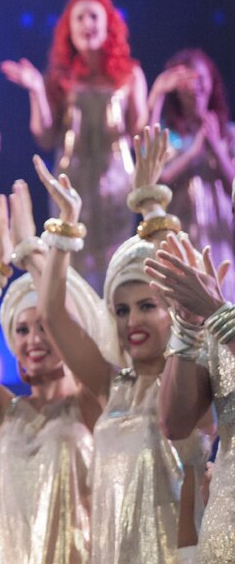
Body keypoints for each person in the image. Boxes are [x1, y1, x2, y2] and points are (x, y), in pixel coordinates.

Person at [36, 128, 207, 561]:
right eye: (122, 309)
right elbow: (53, 314)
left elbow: (184, 279)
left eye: (147, 306)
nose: (133, 320)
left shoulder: (194, 383)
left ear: (173, 308)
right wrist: (66, 227)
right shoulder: (111, 386)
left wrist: (150, 201)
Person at [0, 185, 112, 563]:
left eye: (44, 327)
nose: (33, 339)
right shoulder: (3, 412)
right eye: (22, 330)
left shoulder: (92, 401)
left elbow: (63, 317)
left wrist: (30, 251)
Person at [1, 0, 148, 290]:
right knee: (73, 259)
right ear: (68, 29)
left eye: (93, 16)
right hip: (72, 183)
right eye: (79, 18)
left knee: (116, 263)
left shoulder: (130, 74)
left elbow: (139, 130)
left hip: (117, 184)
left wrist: (157, 94)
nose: (86, 24)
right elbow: (45, 136)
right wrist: (36, 89)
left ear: (108, 24)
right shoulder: (60, 77)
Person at [149, 226, 235, 562]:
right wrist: (188, 324)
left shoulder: (224, 316)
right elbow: (175, 422)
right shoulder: (223, 320)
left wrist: (218, 313)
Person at [150, 49, 235, 290]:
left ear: (212, 82)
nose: (195, 86)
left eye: (201, 78)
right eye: (188, 79)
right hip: (181, 238)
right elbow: (154, 177)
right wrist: (194, 151)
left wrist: (216, 147)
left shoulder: (228, 134)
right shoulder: (169, 137)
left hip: (222, 240)